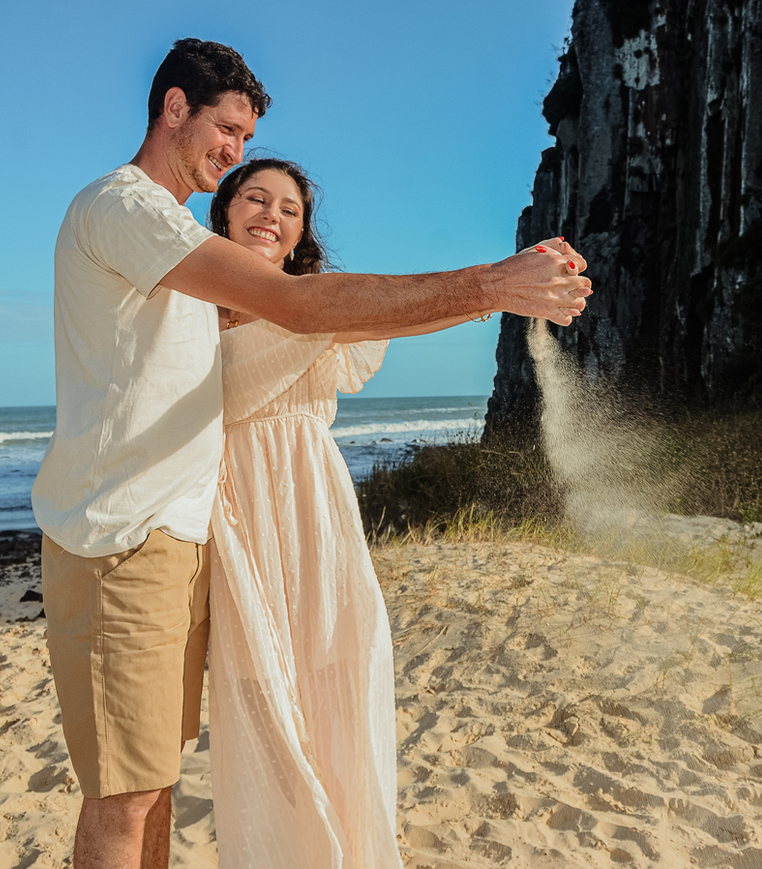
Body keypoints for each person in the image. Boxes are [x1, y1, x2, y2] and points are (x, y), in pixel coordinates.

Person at [30, 38, 591, 868]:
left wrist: (490, 291)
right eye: (227, 130)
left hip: (177, 539)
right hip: (122, 539)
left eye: (248, 141)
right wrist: (490, 286)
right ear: (173, 107)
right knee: (124, 794)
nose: (234, 152)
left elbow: (320, 314)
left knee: (152, 785)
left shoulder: (177, 242)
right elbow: (299, 308)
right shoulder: (125, 209)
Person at [208, 157, 481, 867]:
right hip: (237, 523)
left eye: (289, 209)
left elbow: (406, 309)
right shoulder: (188, 308)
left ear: (300, 232)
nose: (270, 215)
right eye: (256, 199)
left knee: (340, 690)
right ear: (226, 210)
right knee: (261, 708)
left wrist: (498, 296)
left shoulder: (320, 303)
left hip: (315, 516)